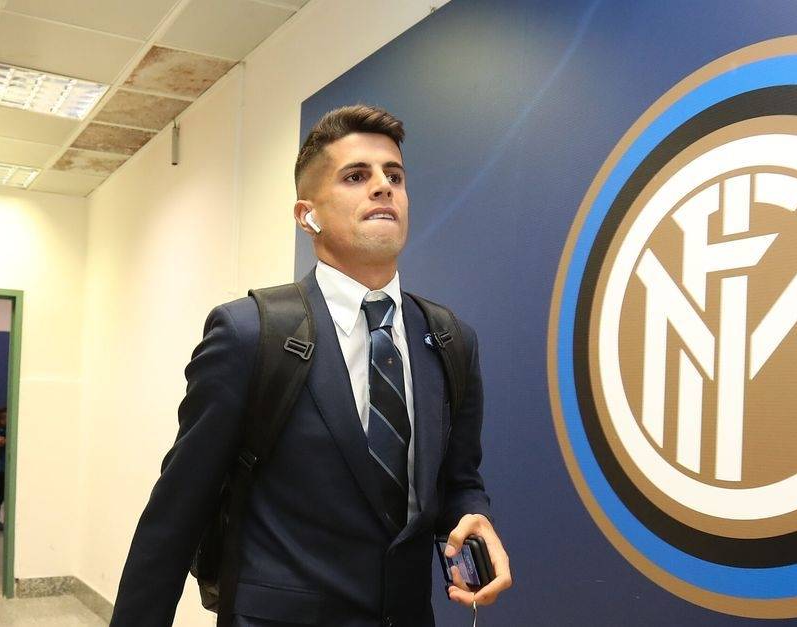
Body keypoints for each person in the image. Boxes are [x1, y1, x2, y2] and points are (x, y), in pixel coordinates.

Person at [111, 105, 511, 626]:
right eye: (356, 176)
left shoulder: (451, 339)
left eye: (394, 176)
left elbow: (459, 479)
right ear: (307, 216)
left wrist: (473, 517)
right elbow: (175, 514)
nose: (383, 187)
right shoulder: (249, 334)